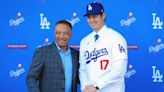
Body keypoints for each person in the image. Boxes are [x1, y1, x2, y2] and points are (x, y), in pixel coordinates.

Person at [79, 2, 128, 92]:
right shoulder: (84, 41)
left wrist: (97, 86)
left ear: (103, 15)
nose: (91, 20)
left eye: (95, 16)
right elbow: (82, 69)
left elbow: (119, 69)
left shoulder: (116, 38)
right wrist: (85, 88)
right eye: (89, 17)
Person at [26, 20, 79, 92]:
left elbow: (80, 78)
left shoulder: (76, 54)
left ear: (70, 34)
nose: (61, 36)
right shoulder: (42, 52)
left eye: (65, 33)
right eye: (58, 33)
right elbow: (31, 77)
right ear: (54, 33)